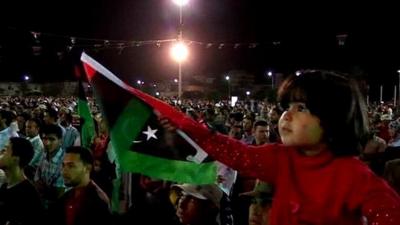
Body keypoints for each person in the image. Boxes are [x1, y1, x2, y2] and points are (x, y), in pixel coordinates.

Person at [160, 70, 400, 224]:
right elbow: (234, 152)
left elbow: (388, 211)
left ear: (334, 118)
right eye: (287, 106)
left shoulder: (353, 174)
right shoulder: (281, 157)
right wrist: (186, 126)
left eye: (301, 108)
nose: (286, 115)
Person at [51, 146, 112, 225]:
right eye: (63, 165)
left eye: (71, 166)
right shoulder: (67, 197)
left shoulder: (98, 201)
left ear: (87, 168)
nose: (64, 172)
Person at [0, 137, 45, 225]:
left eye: (4, 150)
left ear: (16, 159)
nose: (0, 153)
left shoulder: (28, 196)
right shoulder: (5, 187)